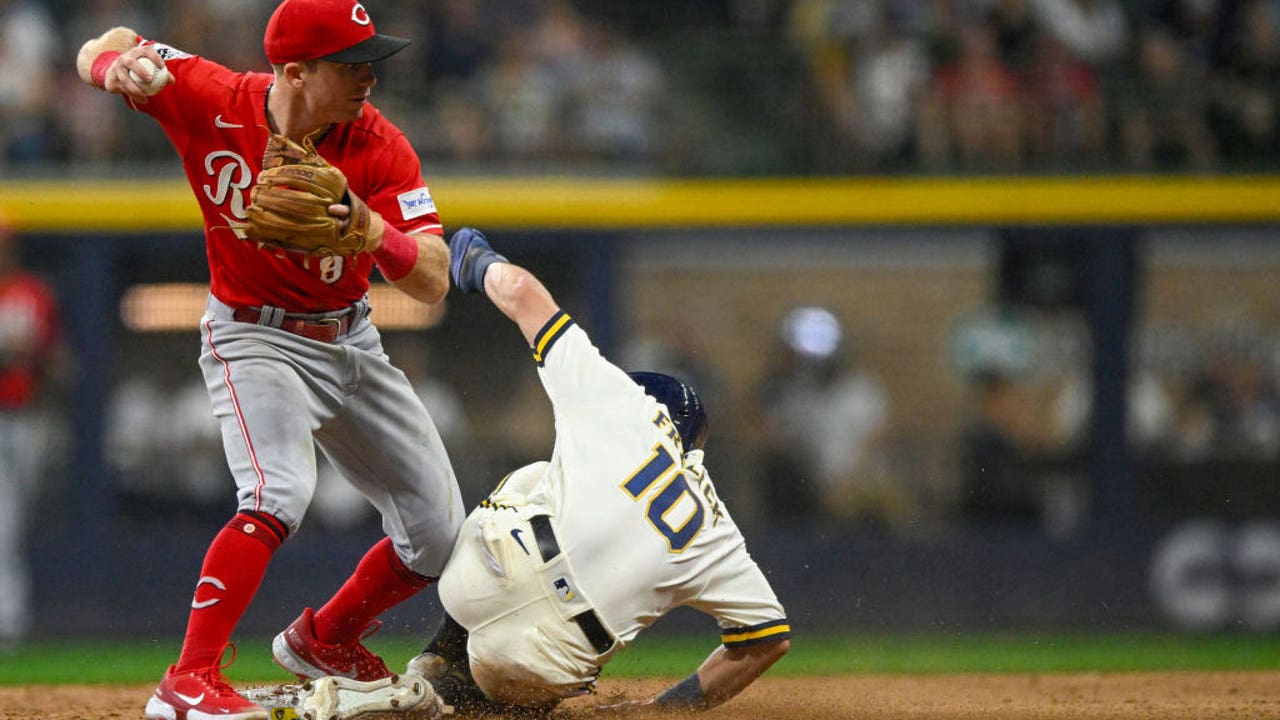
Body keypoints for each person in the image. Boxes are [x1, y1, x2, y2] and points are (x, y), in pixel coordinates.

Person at [74, 2, 466, 718]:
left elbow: (434, 277)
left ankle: (327, 637)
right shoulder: (212, 96)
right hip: (254, 335)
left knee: (440, 534)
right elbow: (108, 43)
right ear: (294, 71)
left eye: (370, 62)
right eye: (351, 65)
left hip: (351, 340)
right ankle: (188, 680)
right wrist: (112, 67)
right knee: (277, 492)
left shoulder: (378, 144)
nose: (369, 78)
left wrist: (370, 227)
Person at [340, 227, 789, 715]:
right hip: (548, 659)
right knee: (516, 689)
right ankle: (433, 700)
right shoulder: (719, 531)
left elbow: (519, 291)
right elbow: (768, 640)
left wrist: (476, 260)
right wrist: (660, 710)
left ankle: (435, 658)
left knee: (534, 478)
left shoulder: (622, 402)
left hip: (481, 578)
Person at [0, 212, 63, 647]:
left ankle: (11, 620)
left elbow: (47, 357)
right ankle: (10, 619)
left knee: (13, 522)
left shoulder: (30, 292)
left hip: (23, 416)